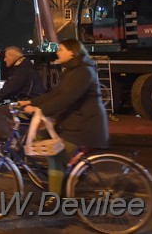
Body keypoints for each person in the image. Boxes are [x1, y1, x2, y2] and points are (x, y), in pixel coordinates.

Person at [19, 38, 109, 207]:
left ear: (72, 52)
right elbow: (56, 93)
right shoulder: (72, 70)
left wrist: (41, 110)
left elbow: (66, 99)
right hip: (74, 125)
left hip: (86, 128)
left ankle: (55, 196)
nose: (57, 52)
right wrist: (31, 103)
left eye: (61, 49)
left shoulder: (84, 72)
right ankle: (68, 174)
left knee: (55, 152)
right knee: (42, 136)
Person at [0, 46, 46, 135]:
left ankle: (12, 141)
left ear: (13, 57)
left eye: (6, 57)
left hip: (29, 103)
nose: (4, 59)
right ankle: (19, 136)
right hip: (31, 101)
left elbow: (9, 90)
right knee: (7, 111)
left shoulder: (21, 69)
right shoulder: (24, 66)